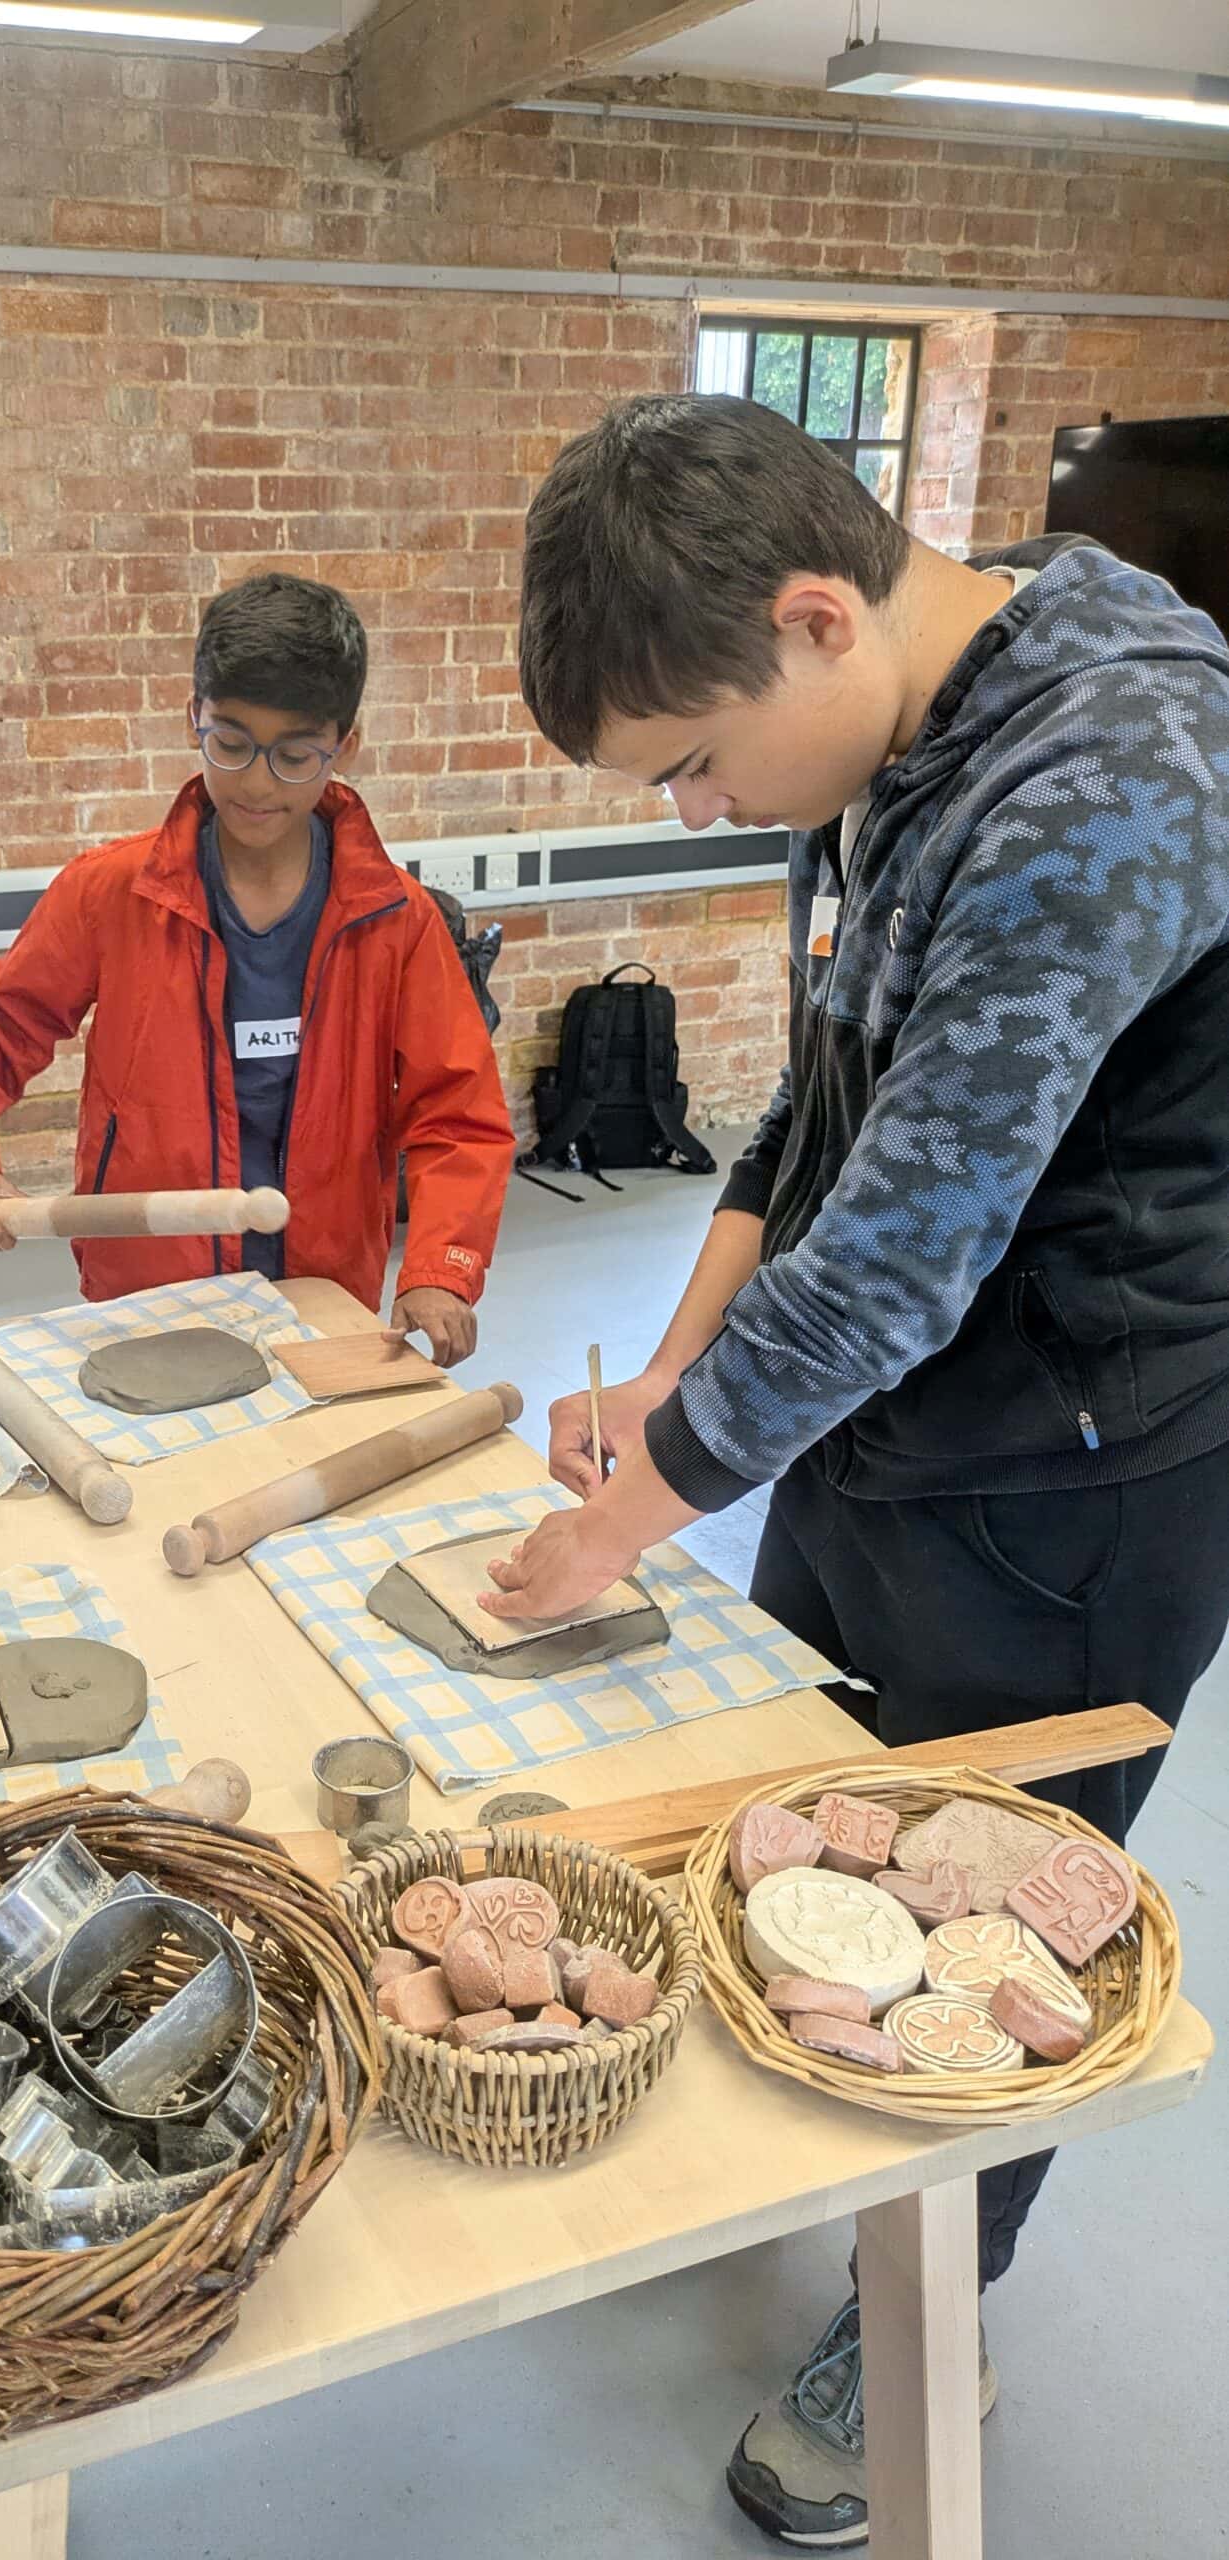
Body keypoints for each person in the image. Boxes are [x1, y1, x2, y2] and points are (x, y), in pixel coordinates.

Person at [505, 393, 1229, 2548]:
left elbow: (906, 1251)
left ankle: (922, 2313)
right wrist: (661, 1388)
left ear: (817, 614)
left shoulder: (1109, 771)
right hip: (883, 1426)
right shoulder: (894, 731)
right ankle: (807, 2170)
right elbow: (812, 1120)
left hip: (1076, 1467)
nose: (712, 810)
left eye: (697, 762)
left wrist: (618, 1521)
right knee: (792, 1832)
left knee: (982, 1946)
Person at [0, 571, 514, 1366]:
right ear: (193, 716)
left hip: (323, 1284)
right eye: (230, 743)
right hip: (146, 1283)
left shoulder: (395, 921)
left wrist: (443, 1267)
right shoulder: (112, 892)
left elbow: (459, 1113)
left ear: (346, 746)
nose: (259, 782)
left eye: (297, 755)